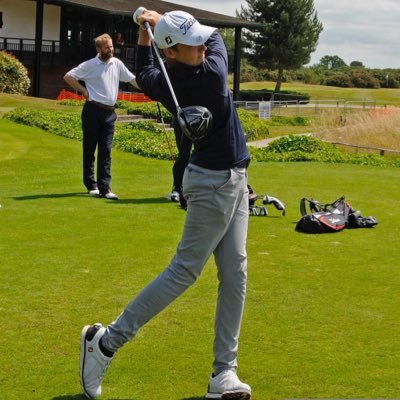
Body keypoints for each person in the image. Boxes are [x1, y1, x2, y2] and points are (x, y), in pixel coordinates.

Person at [79, 9, 251, 400]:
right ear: (171, 52)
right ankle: (106, 342)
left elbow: (144, 69)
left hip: (232, 179)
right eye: (192, 44)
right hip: (214, 184)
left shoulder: (164, 80)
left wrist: (146, 30)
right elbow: (217, 39)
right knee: (184, 271)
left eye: (198, 40)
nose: (201, 46)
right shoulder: (210, 75)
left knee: (235, 274)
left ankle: (224, 373)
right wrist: (157, 22)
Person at [64, 33, 138, 200]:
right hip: (92, 110)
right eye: (107, 48)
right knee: (89, 149)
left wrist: (149, 88)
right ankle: (91, 185)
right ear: (98, 49)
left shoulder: (116, 63)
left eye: (111, 47)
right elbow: (68, 76)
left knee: (106, 150)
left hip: (109, 113)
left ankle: (105, 188)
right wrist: (83, 91)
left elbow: (132, 79)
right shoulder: (89, 65)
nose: (111, 50)